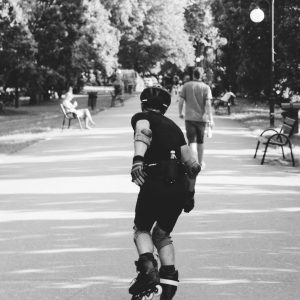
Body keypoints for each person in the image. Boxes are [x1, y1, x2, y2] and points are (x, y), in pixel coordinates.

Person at [129, 85, 201, 300]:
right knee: (161, 234)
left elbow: (143, 132)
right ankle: (168, 284)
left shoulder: (142, 117)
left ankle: (148, 269)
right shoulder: (174, 128)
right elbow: (193, 165)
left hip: (155, 181)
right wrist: (189, 193)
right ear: (166, 107)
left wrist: (138, 159)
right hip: (178, 187)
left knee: (141, 228)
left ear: (143, 104)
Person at [178, 67, 214, 169]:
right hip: (201, 119)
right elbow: (208, 104)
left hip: (189, 118)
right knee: (200, 141)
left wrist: (180, 113)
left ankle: (193, 164)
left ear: (193, 75)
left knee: (191, 141)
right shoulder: (206, 87)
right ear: (202, 76)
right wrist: (210, 118)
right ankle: (201, 162)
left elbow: (181, 101)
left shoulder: (186, 86)